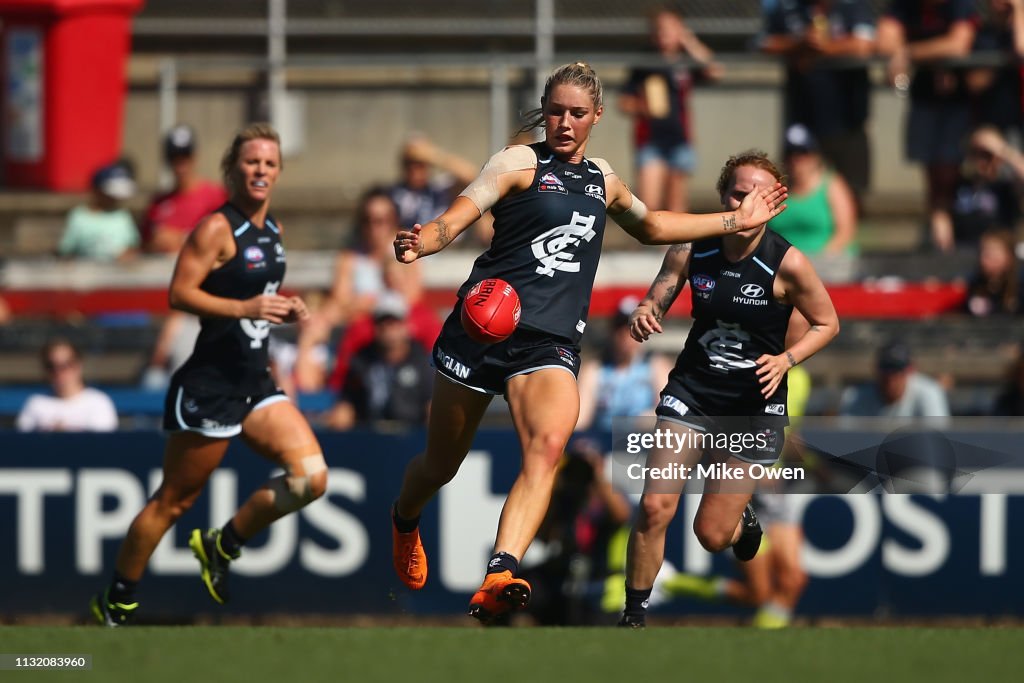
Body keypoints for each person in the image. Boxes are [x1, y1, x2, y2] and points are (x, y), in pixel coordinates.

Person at [389, 62, 788, 625]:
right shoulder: (519, 162)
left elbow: (653, 226)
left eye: (578, 113)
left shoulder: (603, 179)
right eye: (556, 111)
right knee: (439, 465)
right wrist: (424, 240)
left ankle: (502, 569)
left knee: (548, 446)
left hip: (548, 343)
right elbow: (460, 213)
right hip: (481, 330)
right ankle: (405, 518)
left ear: (597, 116)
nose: (565, 123)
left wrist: (732, 219)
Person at [90, 123, 326, 627]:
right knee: (173, 502)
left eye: (269, 162)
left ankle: (224, 543)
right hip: (210, 387)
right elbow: (178, 294)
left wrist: (283, 307)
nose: (260, 169)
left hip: (256, 383)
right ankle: (116, 599)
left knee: (312, 479)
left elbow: (258, 299)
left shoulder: (274, 230)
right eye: (251, 161)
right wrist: (245, 306)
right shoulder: (216, 227)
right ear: (232, 169)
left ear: (279, 171)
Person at [618, 150, 839, 628]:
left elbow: (828, 322)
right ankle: (633, 618)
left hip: (753, 407)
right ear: (723, 197)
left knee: (713, 536)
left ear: (775, 205)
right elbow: (663, 286)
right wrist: (646, 309)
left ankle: (741, 524)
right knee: (656, 505)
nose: (746, 202)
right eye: (738, 192)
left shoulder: (788, 263)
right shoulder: (694, 244)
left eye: (758, 194)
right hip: (693, 391)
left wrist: (787, 359)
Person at [293, 188, 424, 392]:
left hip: (392, 324)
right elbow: (340, 301)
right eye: (368, 220)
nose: (374, 228)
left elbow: (411, 298)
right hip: (358, 326)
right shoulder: (350, 258)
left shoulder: (407, 251)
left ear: (392, 221)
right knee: (317, 330)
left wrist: (367, 303)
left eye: (381, 220)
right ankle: (312, 394)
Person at [877, 0, 980, 253]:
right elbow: (885, 42)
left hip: (959, 106)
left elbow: (958, 45)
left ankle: (953, 234)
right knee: (933, 175)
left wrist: (909, 52)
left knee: (951, 173)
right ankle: (940, 237)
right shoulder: (907, 7)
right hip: (925, 103)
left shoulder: (961, 5)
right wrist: (929, 52)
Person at [760, 0, 876, 208]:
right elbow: (764, 43)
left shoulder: (852, 6)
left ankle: (848, 239)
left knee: (852, 194)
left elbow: (865, 45)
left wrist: (824, 47)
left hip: (847, 118)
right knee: (797, 188)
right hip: (803, 118)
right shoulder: (789, 8)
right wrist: (800, 44)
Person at [619, 8, 721, 212]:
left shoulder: (685, 59)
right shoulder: (645, 61)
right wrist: (643, 106)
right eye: (661, 29)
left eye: (671, 28)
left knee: (676, 207)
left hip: (680, 140)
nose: (665, 33)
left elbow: (715, 71)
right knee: (648, 207)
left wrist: (690, 42)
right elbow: (624, 102)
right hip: (650, 141)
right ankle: (649, 245)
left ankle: (673, 245)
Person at [324, 292, 433, 430]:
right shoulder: (361, 360)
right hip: (369, 434)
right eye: (383, 323)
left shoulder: (422, 361)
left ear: (406, 326)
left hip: (411, 433)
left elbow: (432, 405)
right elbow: (347, 402)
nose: (389, 330)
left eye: (394, 323)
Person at [576, 295, 672, 432]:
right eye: (620, 327)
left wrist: (638, 420)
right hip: (604, 441)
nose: (625, 334)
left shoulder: (656, 366)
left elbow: (667, 415)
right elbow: (582, 419)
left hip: (642, 439)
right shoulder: (595, 370)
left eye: (632, 327)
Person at [768, 124, 858, 255]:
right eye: (790, 154)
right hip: (781, 266)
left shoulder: (831, 184)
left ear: (815, 156)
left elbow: (845, 232)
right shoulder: (775, 188)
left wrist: (815, 262)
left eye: (803, 153)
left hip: (828, 265)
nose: (796, 160)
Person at [142, 124, 229, 254]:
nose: (180, 164)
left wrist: (181, 239)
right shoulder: (158, 203)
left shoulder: (217, 197)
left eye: (185, 156)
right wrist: (155, 244)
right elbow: (143, 245)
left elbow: (228, 240)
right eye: (174, 158)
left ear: (195, 156)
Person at [942, 126, 1024, 250]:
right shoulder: (959, 184)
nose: (980, 160)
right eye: (974, 153)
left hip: (999, 254)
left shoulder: (1007, 186)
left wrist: (1003, 150)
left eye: (986, 154)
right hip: (963, 253)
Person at [16, 338, 118, 432]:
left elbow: (102, 446)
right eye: (51, 366)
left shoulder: (99, 402)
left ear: (79, 365)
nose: (58, 371)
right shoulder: (35, 403)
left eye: (66, 364)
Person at [388, 133, 480, 230]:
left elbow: (473, 177)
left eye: (420, 164)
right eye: (409, 163)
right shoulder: (393, 195)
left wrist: (433, 156)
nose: (414, 170)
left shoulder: (440, 188)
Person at [839, 341, 951, 417]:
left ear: (910, 370)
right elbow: (848, 444)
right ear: (876, 370)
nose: (891, 377)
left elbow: (939, 442)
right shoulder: (854, 398)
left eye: (897, 369)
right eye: (886, 369)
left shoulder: (929, 393)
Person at [58, 161, 139, 262]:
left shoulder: (123, 217)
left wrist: (127, 256)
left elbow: (133, 247)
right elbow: (66, 250)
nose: (114, 199)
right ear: (97, 190)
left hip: (117, 274)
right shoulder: (79, 217)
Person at [963, 228, 1024, 317]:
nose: (986, 257)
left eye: (993, 252)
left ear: (1009, 256)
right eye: (984, 251)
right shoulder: (975, 285)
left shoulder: (1020, 286)